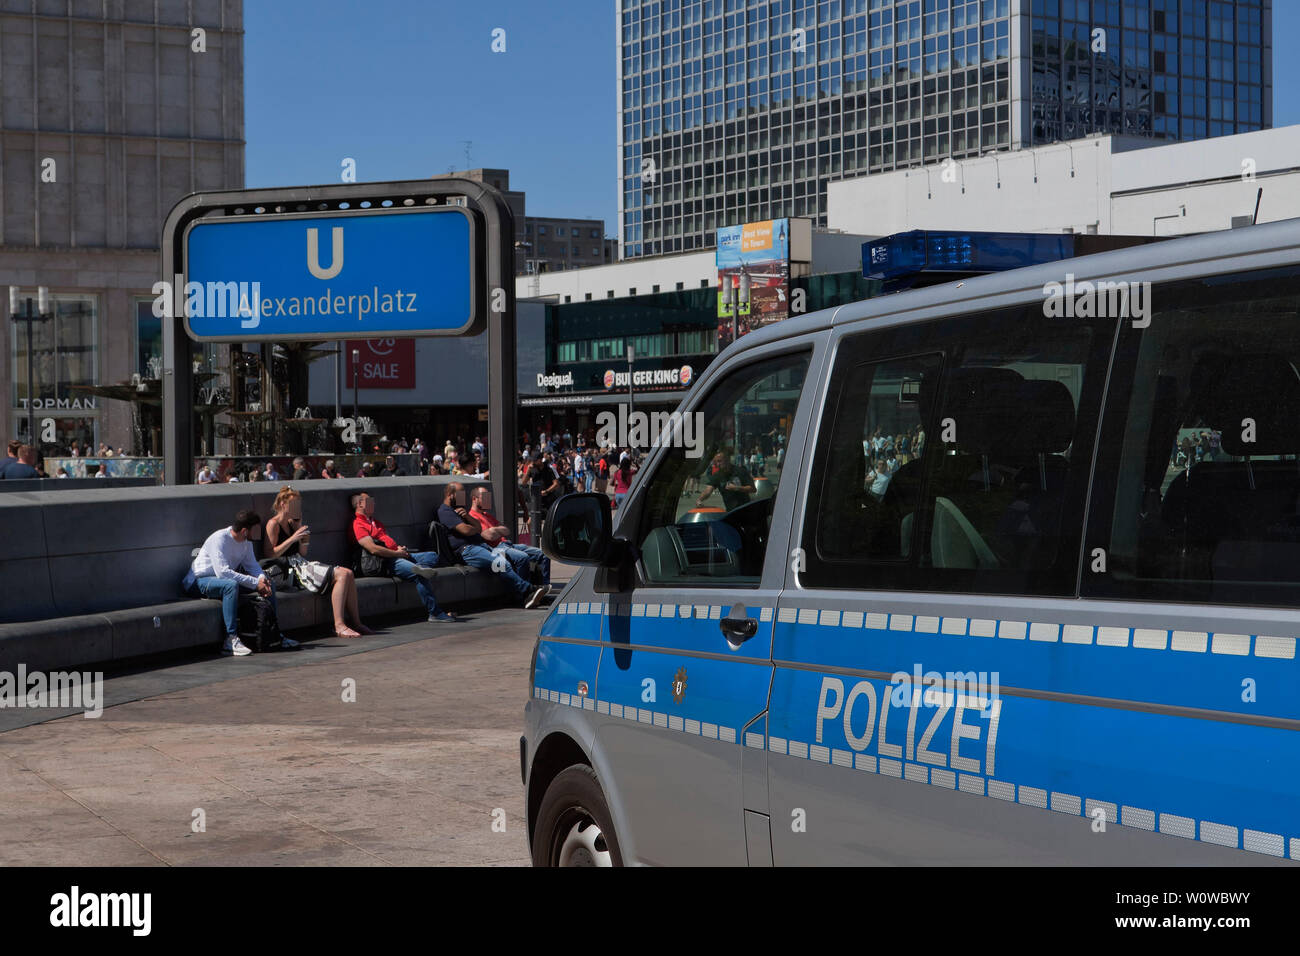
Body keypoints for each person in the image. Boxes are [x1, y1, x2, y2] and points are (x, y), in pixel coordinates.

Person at [182, 510, 299, 657]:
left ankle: (274, 633)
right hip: (198, 581)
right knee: (230, 585)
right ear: (245, 531)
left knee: (269, 582)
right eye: (255, 530)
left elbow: (253, 567)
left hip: (221, 582)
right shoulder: (219, 539)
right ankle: (230, 640)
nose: (257, 534)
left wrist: (262, 579)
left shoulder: (246, 543)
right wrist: (255, 583)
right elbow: (223, 573)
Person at [265, 485, 373, 639]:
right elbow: (270, 554)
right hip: (289, 570)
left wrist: (302, 536)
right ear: (283, 505)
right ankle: (339, 625)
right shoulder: (273, 524)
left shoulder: (292, 523)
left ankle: (356, 622)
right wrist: (293, 538)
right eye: (294, 505)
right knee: (342, 575)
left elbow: (303, 553)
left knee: (348, 573)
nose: (297, 508)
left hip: (301, 562)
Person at [351, 491, 456, 623]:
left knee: (432, 556)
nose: (374, 503)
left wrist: (399, 549)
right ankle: (435, 613)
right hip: (385, 562)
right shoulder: (358, 524)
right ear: (360, 504)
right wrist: (396, 553)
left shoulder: (376, 522)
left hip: (397, 554)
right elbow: (373, 549)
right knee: (420, 575)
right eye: (370, 501)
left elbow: (387, 542)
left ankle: (417, 568)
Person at [438, 482, 546, 609]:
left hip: (480, 545)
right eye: (461, 494)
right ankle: (529, 590)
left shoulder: (460, 511)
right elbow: (466, 530)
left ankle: (525, 595)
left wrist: (467, 517)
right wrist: (472, 527)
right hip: (467, 550)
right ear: (451, 495)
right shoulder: (445, 511)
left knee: (506, 561)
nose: (464, 497)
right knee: (500, 563)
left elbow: (477, 527)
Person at [469, 485, 551, 588]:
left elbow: (506, 530)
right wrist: (497, 530)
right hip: (496, 548)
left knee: (544, 554)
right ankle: (526, 593)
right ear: (474, 499)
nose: (488, 500)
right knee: (522, 557)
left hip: (508, 544)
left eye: (489, 497)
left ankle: (545, 587)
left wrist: (495, 530)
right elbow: (489, 536)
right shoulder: (472, 516)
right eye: (485, 497)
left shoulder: (487, 515)